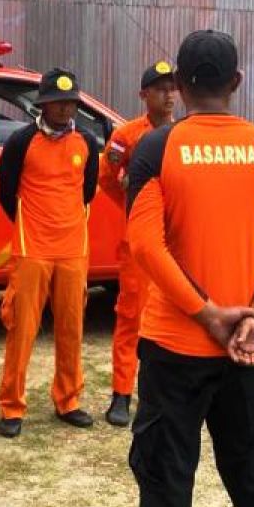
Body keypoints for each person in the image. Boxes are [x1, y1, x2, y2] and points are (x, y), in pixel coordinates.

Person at [125, 30, 254, 507]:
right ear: (235, 81)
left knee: (165, 483)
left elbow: (145, 246)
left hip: (175, 344)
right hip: (251, 349)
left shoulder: (157, 147)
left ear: (181, 86)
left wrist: (207, 314)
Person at [0, 68, 100, 438]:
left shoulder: (87, 143)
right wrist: (30, 225)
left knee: (71, 328)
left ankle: (68, 399)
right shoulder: (21, 142)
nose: (65, 109)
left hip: (73, 249)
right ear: (43, 103)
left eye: (71, 103)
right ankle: (11, 406)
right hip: (31, 248)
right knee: (22, 328)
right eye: (58, 102)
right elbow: (6, 194)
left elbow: (87, 192)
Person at [98, 60, 177, 427]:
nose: (168, 95)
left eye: (172, 88)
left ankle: (167, 393)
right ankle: (121, 393)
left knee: (175, 316)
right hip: (139, 242)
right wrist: (132, 208)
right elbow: (108, 178)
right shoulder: (126, 135)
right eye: (160, 89)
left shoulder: (186, 135)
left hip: (177, 240)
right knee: (131, 317)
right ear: (144, 95)